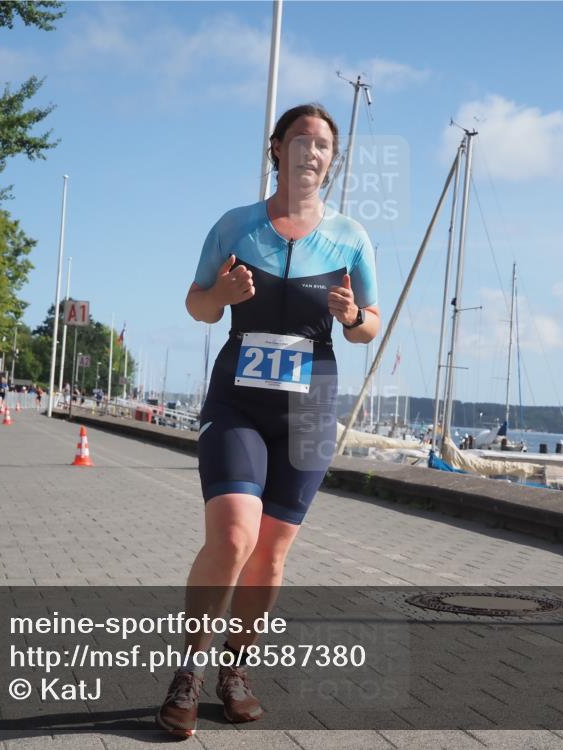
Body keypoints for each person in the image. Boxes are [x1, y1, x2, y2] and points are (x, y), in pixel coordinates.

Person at [157, 103, 380, 737]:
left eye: (325, 147)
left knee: (272, 557)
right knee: (233, 537)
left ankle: (237, 671)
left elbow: (370, 325)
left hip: (310, 408)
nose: (313, 153)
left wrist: (348, 315)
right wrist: (221, 298)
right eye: (303, 141)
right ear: (277, 148)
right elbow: (197, 304)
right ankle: (189, 673)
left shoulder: (351, 238)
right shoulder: (235, 226)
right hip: (239, 401)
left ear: (331, 162)